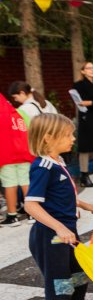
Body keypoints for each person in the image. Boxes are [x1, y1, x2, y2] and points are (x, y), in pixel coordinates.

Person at [22, 114, 93, 300]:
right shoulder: (43, 166)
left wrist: (83, 205)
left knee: (78, 277)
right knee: (59, 284)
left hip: (67, 234)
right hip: (53, 237)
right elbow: (31, 205)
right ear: (49, 138)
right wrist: (59, 227)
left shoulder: (57, 161)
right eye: (67, 135)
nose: (73, 139)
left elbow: (60, 195)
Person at [0, 94, 33, 227]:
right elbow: (29, 129)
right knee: (26, 182)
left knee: (9, 184)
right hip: (24, 152)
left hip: (6, 155)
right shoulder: (20, 112)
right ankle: (32, 213)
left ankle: (13, 216)